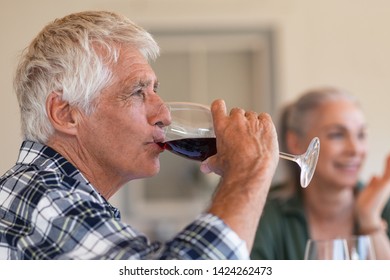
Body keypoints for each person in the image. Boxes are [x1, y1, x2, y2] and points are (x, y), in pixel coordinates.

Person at [0, 11, 279, 260]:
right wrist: (248, 169)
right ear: (65, 114)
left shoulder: (47, 194)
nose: (164, 114)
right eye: (137, 92)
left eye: (155, 90)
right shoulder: (41, 199)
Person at [250, 86, 390, 260]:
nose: (355, 149)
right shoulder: (263, 212)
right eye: (337, 135)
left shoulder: (384, 208)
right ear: (295, 143)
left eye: (361, 135)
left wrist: (370, 220)